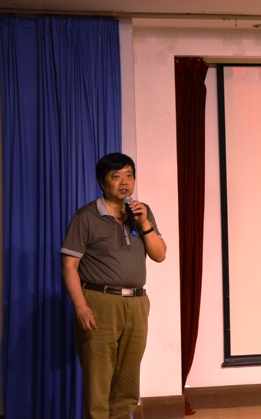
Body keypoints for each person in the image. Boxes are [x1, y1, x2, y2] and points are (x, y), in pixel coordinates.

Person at [61, 153, 167, 418]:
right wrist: (81, 307)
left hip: (137, 304)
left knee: (128, 380)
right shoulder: (86, 216)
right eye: (117, 176)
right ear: (102, 181)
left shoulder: (141, 212)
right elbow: (69, 266)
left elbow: (159, 255)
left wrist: (144, 223)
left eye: (129, 176)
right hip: (100, 302)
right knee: (99, 379)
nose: (124, 182)